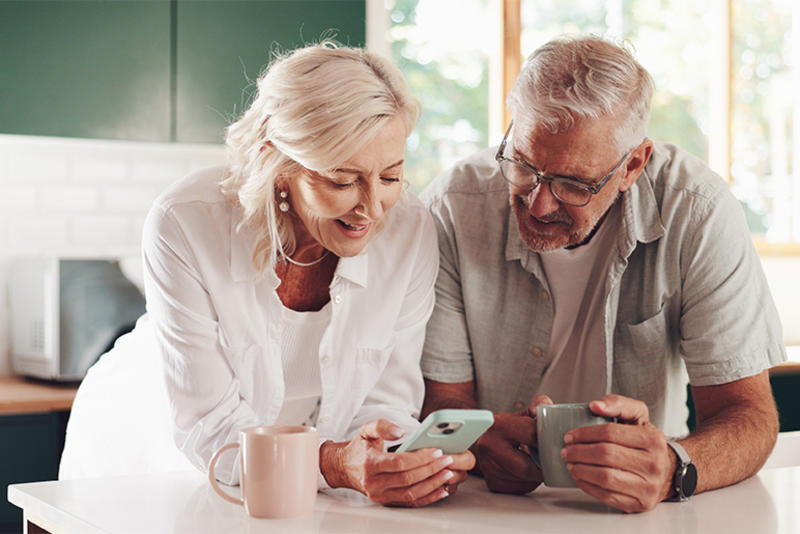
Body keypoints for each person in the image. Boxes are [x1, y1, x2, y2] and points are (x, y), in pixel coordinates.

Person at [60, 42, 473, 507]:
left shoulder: (409, 230)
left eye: (391, 177)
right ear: (278, 165)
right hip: (156, 454)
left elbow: (387, 398)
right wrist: (334, 463)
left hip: (308, 481)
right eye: (342, 181)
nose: (372, 208)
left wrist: (399, 459)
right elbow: (209, 428)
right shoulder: (185, 222)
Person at [419, 35, 786, 513]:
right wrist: (480, 433)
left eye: (573, 183)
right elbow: (440, 402)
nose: (538, 202)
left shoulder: (698, 212)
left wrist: (675, 466)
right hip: (486, 505)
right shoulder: (452, 206)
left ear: (633, 164)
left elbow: (750, 416)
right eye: (525, 166)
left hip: (647, 511)